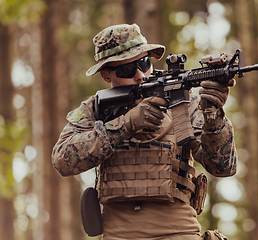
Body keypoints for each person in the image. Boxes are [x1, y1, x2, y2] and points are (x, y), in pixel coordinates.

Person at [52, 23, 237, 240]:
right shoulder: (95, 109)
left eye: (144, 63)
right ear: (106, 75)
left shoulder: (184, 103)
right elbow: (62, 159)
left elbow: (224, 167)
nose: (140, 75)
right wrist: (125, 125)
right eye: (126, 70)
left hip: (180, 233)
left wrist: (213, 117)